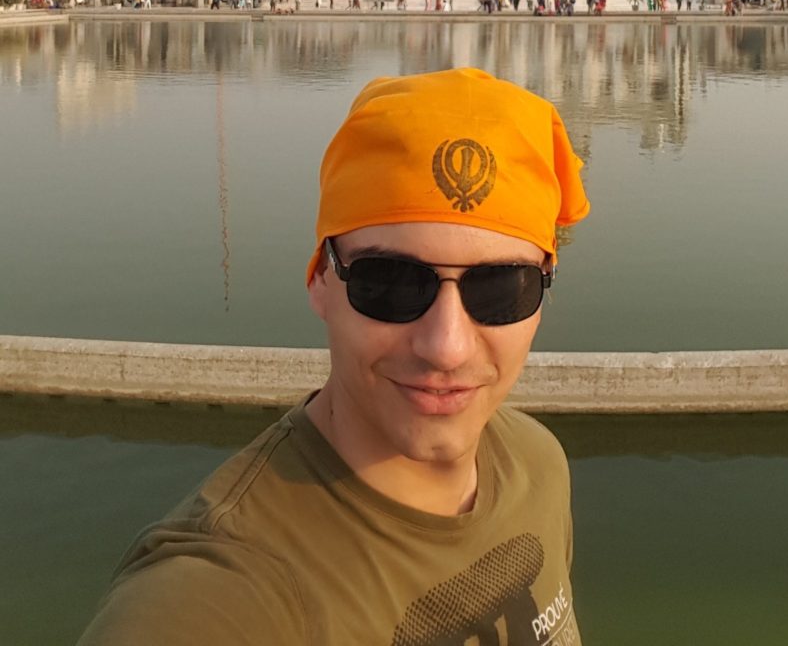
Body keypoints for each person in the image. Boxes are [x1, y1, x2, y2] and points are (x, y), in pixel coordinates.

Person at [78, 69, 589, 645]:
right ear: (321, 278)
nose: (446, 345)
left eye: (501, 290)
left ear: (544, 292)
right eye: (391, 284)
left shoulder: (538, 466)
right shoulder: (231, 585)